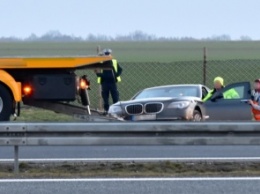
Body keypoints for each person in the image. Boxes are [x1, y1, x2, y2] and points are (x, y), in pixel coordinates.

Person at [95, 49, 122, 114]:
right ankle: (106, 111)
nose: (107, 55)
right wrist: (100, 75)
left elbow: (120, 70)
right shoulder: (101, 62)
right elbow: (96, 70)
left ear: (110, 54)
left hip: (112, 82)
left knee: (115, 97)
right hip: (104, 82)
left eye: (108, 54)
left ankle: (116, 111)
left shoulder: (114, 61)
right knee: (105, 98)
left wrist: (115, 75)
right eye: (106, 54)